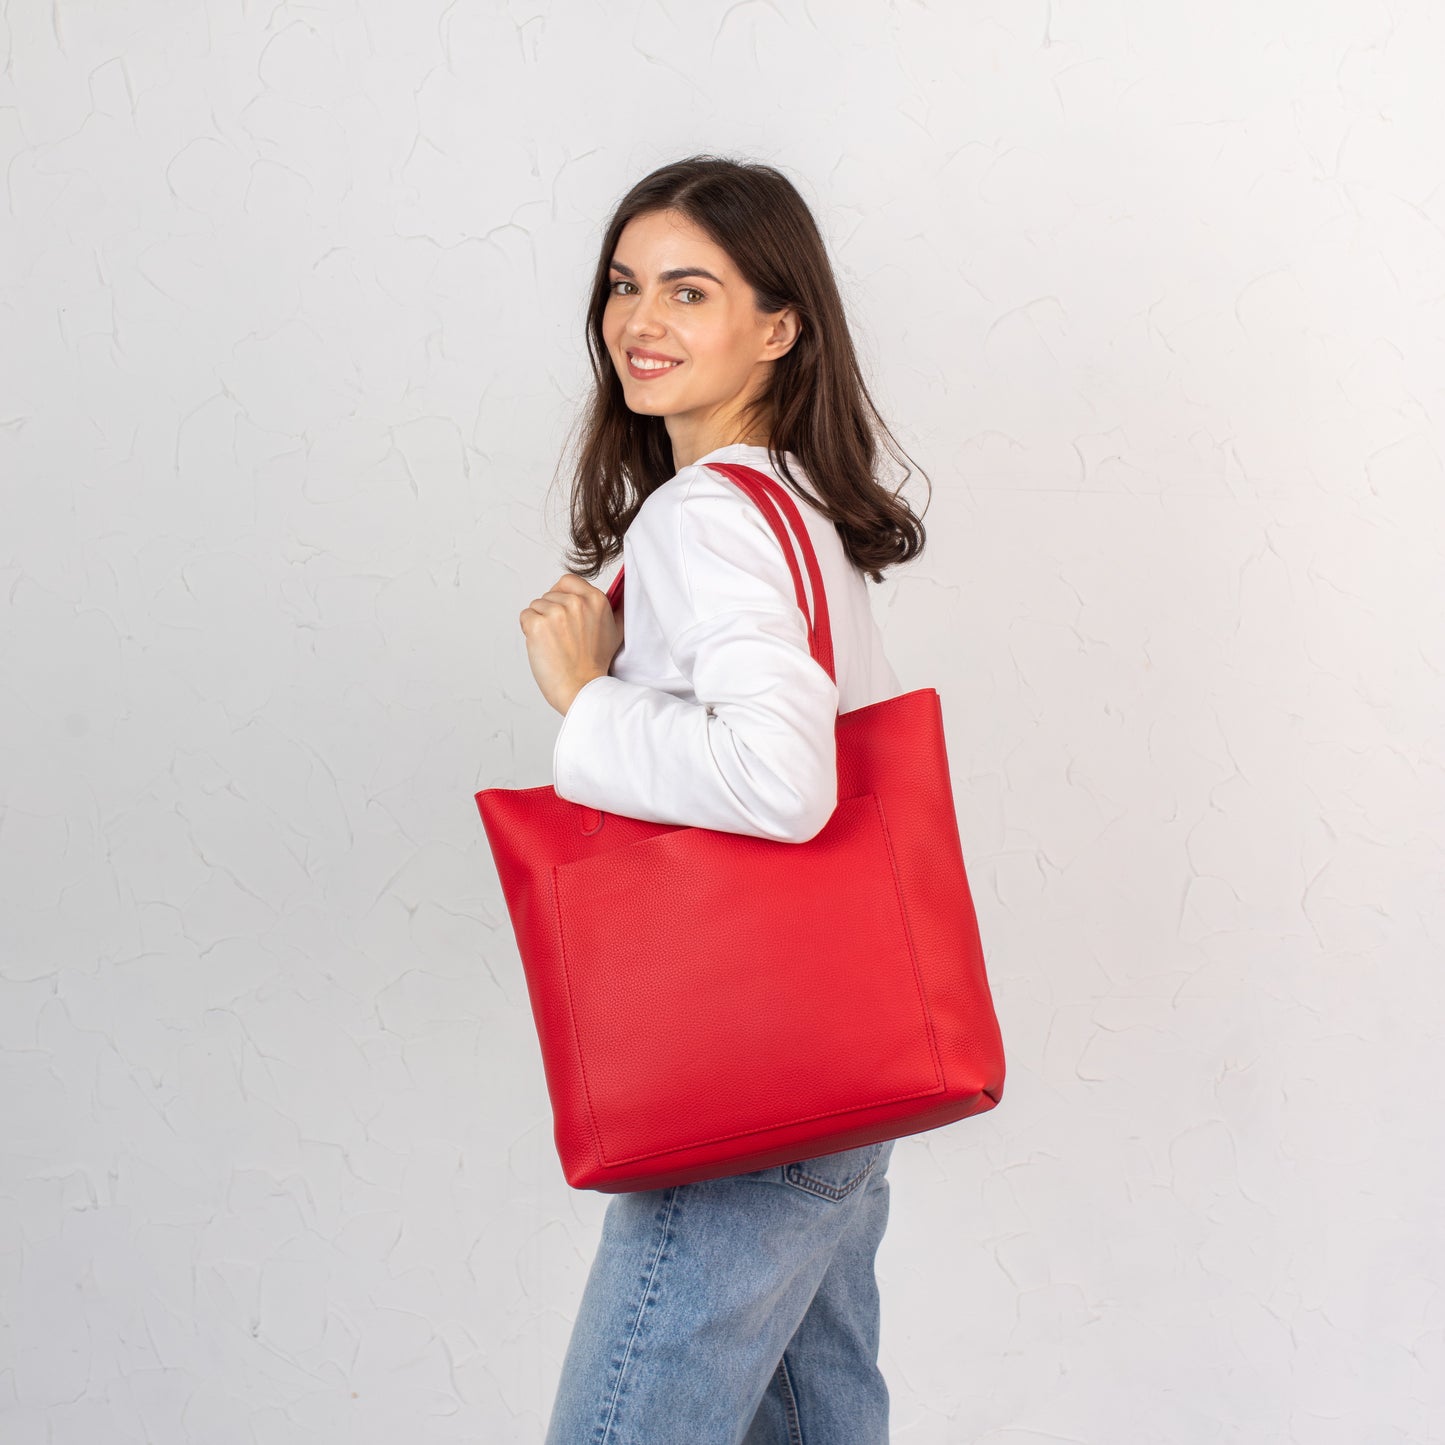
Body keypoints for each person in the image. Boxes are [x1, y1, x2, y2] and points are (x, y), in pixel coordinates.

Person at [516, 154, 930, 1445]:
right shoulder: (796, 508)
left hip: (741, 1091)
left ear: (776, 324)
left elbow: (778, 780)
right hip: (838, 1074)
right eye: (624, 286)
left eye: (688, 291)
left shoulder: (704, 517)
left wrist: (585, 699)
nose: (639, 321)